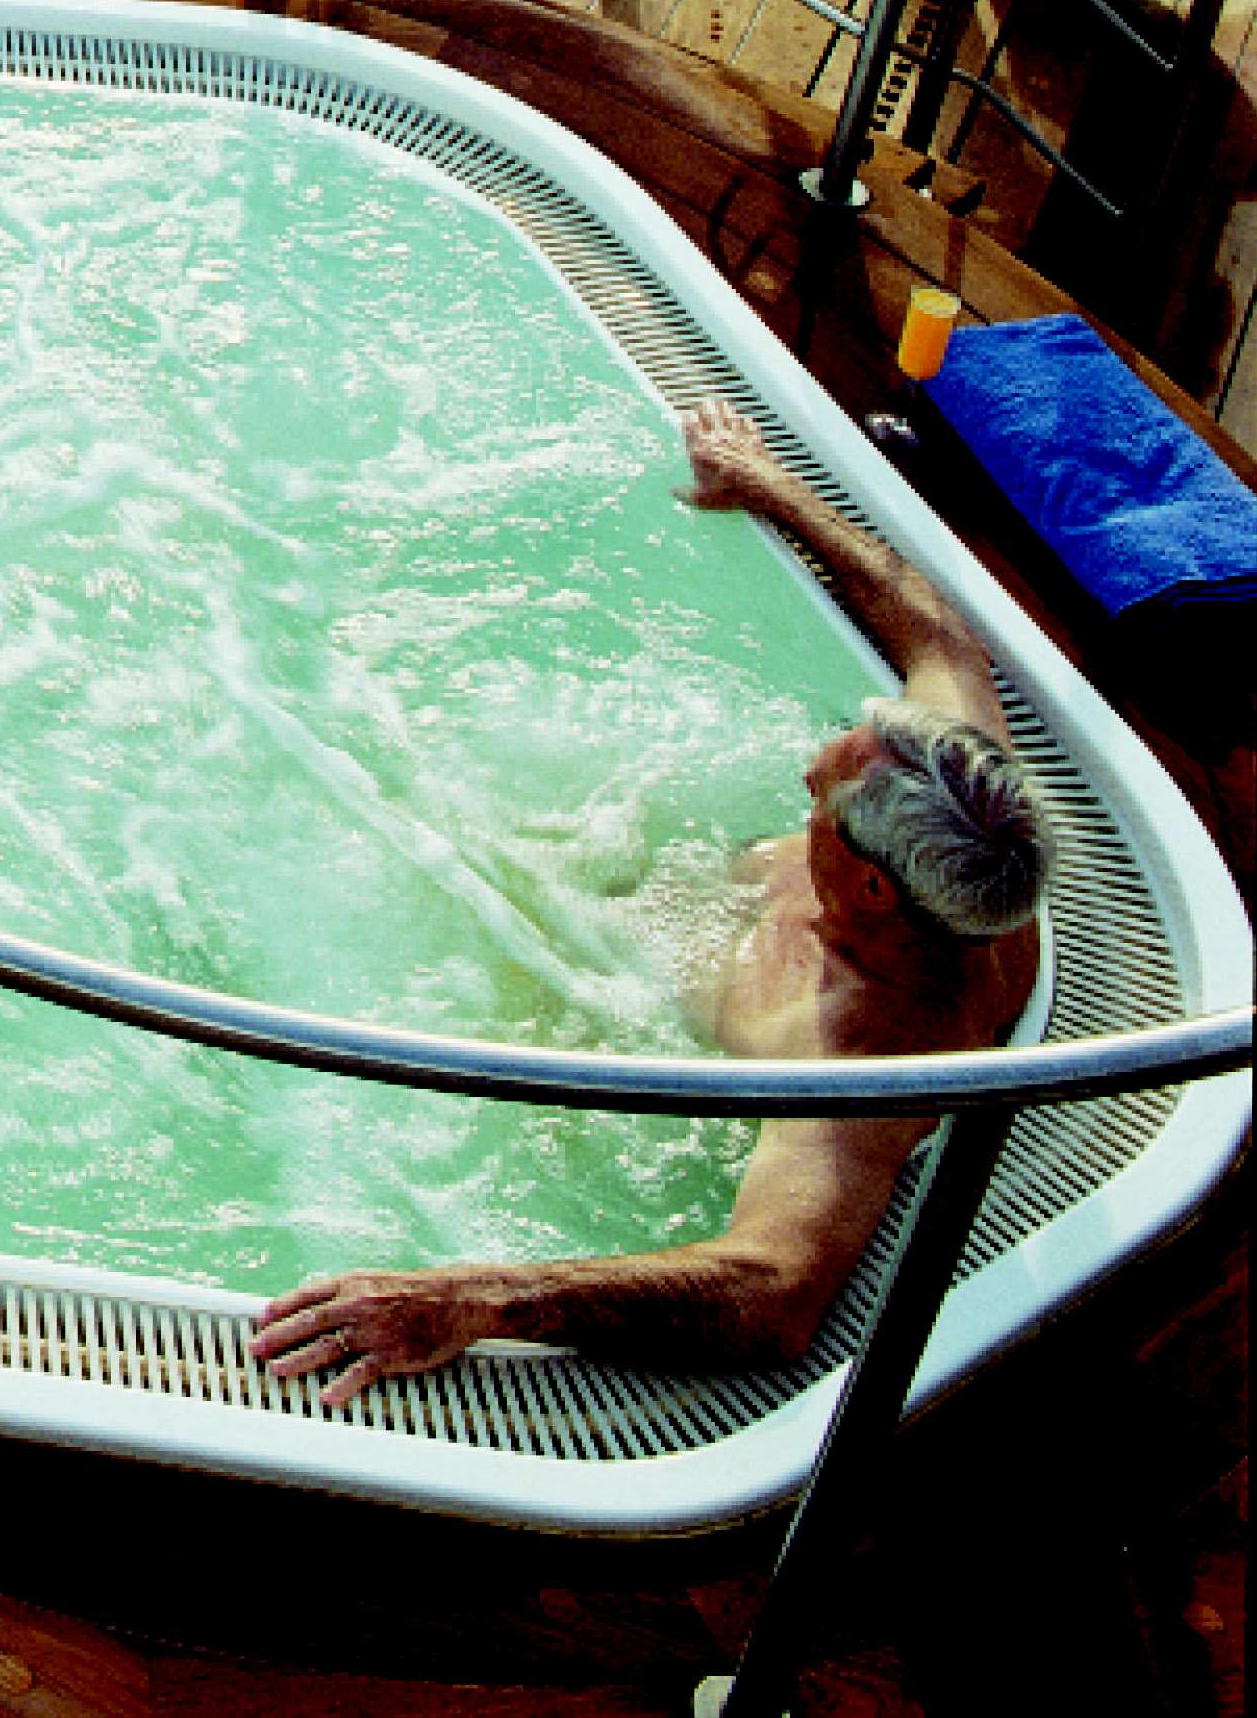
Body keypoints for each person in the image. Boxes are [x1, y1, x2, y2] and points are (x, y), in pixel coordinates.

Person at [246, 399, 1045, 1403]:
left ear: (872, 885)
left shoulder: (861, 1057)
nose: (807, 769)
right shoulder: (960, 794)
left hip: (597, 998)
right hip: (639, 892)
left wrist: (477, 1298)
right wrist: (766, 485)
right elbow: (940, 639)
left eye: (824, 792)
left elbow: (775, 1290)